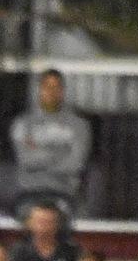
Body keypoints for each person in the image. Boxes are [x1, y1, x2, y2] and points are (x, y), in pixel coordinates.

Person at [11, 67, 91, 206]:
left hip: (65, 193)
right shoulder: (22, 124)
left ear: (63, 91)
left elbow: (75, 164)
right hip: (30, 192)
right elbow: (26, 159)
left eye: (56, 87)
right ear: (39, 89)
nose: (51, 92)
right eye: (47, 86)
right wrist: (60, 153)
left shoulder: (79, 126)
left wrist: (39, 152)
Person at [5, 198, 80, 261]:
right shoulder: (19, 252)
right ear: (29, 223)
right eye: (39, 222)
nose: (43, 227)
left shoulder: (72, 252)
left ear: (58, 224)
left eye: (48, 222)